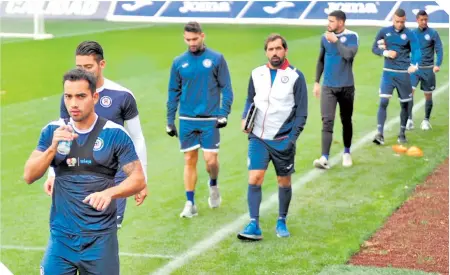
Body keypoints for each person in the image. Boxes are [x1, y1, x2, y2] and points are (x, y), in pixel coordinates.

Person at [23, 68, 146, 275]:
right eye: (68, 96)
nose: (73, 104)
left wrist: (109, 193)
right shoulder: (52, 131)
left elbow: (138, 179)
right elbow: (29, 175)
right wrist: (52, 148)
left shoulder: (114, 134)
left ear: (94, 97)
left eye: (80, 96)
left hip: (100, 242)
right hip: (61, 240)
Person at [44, 40, 148, 228]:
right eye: (79, 67)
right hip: (77, 175)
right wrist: (52, 173)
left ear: (102, 64)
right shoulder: (69, 98)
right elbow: (62, 135)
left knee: (106, 232)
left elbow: (137, 138)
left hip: (113, 177)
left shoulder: (122, 96)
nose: (83, 72)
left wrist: (142, 179)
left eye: (88, 66)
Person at [237, 34, 308, 241]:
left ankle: (282, 219)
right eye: (270, 49)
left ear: (285, 50)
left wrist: (291, 139)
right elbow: (250, 99)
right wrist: (244, 118)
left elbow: (302, 112)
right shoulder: (256, 73)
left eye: (278, 48)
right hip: (258, 137)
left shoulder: (296, 76)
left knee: (283, 182)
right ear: (266, 52)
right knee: (254, 178)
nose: (274, 53)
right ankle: (254, 224)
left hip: (282, 139)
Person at [166, 21, 234, 218]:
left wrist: (224, 113)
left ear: (202, 36)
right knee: (189, 160)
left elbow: (226, 88)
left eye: (195, 39)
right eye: (188, 39)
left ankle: (213, 183)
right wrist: (170, 120)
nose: (192, 43)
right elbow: (173, 91)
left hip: (210, 118)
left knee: (210, 160)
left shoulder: (216, 58)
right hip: (187, 119)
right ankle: (190, 203)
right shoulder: (179, 62)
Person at [312, 10, 359, 169]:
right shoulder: (324, 38)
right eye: (328, 20)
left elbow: (348, 56)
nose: (328, 24)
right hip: (328, 87)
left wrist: (336, 41)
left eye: (331, 21)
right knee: (327, 121)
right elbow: (320, 60)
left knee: (346, 120)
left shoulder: (352, 37)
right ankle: (324, 157)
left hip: (346, 87)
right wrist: (317, 82)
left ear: (341, 22)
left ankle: (347, 152)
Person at [372, 8, 421, 145]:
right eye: (397, 21)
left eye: (402, 22)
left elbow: (417, 50)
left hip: (403, 74)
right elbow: (374, 48)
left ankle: (402, 133)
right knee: (383, 102)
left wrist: (415, 64)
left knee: (405, 104)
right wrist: (386, 53)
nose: (399, 24)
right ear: (393, 19)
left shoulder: (410, 34)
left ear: (405, 20)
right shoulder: (384, 32)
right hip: (388, 73)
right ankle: (380, 134)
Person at [406, 10, 443, 131]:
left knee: (428, 95)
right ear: (417, 20)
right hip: (415, 69)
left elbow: (439, 49)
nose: (424, 22)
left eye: (426, 19)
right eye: (421, 20)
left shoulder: (433, 33)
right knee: (409, 93)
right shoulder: (412, 33)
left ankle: (426, 120)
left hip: (428, 69)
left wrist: (437, 64)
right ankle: (409, 120)